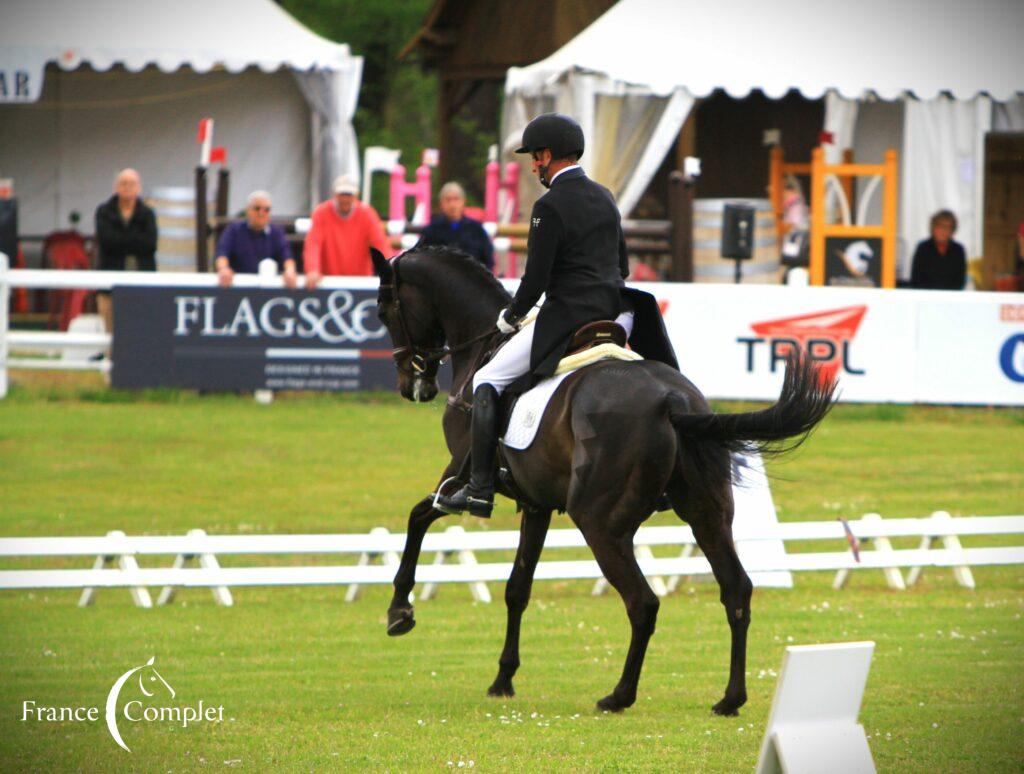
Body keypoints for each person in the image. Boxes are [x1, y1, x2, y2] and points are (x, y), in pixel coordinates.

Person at [437, 113, 678, 518]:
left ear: (548, 155)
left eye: (534, 158)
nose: (533, 166)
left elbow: (535, 282)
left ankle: (478, 488)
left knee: (486, 378)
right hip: (619, 315)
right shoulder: (606, 196)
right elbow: (622, 267)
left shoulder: (547, 206)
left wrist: (508, 318)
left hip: (568, 315)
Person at [94, 168, 158, 336]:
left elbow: (150, 244)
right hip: (110, 281)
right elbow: (107, 242)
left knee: (140, 328)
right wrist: (134, 240)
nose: (127, 187)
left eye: (132, 184)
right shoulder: (104, 212)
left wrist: (121, 239)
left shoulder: (147, 213)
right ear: (116, 187)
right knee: (111, 331)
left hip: (142, 282)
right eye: (123, 183)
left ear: (139, 188)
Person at [303, 175, 391, 287]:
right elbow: (313, 244)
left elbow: (380, 244)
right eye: (342, 194)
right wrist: (312, 269)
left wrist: (389, 270)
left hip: (359, 283)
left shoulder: (367, 214)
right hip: (327, 282)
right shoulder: (321, 213)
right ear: (334, 195)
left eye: (348, 195)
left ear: (356, 196)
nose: (345, 199)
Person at [214, 190, 297, 288]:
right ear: (248, 210)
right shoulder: (234, 230)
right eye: (257, 208)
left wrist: (290, 271)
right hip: (238, 286)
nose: (261, 213)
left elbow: (286, 255)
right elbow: (222, 252)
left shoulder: (277, 232)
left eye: (266, 209)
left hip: (268, 288)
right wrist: (224, 269)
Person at [416, 181, 494, 272]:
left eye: (456, 199)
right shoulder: (431, 231)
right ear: (441, 203)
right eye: (448, 200)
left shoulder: (476, 229)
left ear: (463, 201)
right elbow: (420, 258)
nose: (452, 205)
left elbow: (488, 261)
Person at [909, 210, 966, 290]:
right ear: (933, 228)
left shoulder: (958, 250)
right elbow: (916, 279)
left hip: (951, 297)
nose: (943, 231)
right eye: (940, 226)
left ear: (953, 231)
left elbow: (960, 280)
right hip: (925, 297)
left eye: (948, 227)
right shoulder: (922, 248)